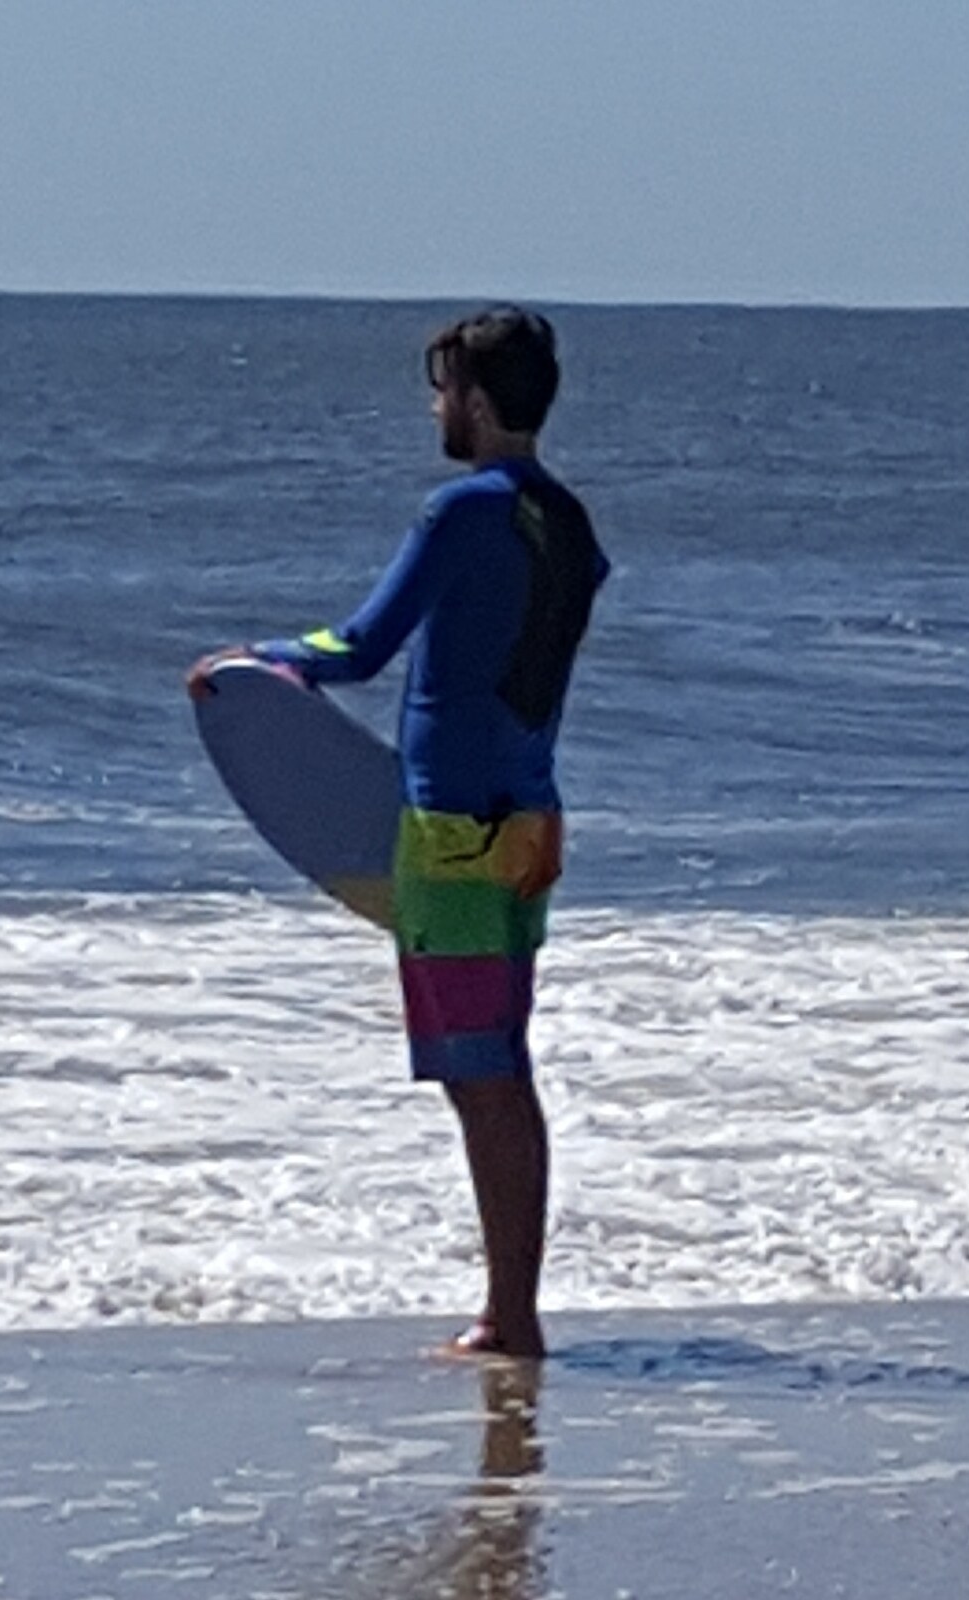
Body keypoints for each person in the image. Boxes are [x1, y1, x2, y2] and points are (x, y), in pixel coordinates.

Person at [188, 306, 607, 1360]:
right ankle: (513, 1307)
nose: (435, 408)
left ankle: (511, 1319)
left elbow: (362, 644)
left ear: (472, 397)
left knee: (481, 1078)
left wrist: (252, 662)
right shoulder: (567, 522)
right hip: (528, 829)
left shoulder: (461, 511)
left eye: (442, 390)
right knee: (500, 1067)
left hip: (455, 837)